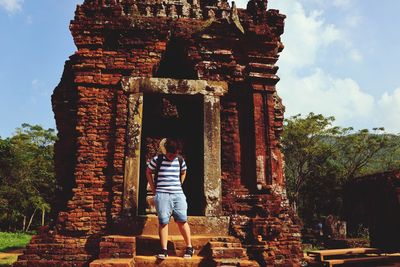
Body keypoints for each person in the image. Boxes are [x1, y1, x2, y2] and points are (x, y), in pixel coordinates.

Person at [146, 138, 194, 260]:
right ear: (166, 151)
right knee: (163, 222)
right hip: (162, 194)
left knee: (182, 221)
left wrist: (179, 183)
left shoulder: (180, 160)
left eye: (175, 154)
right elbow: (148, 171)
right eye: (170, 154)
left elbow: (184, 171)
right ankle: (164, 249)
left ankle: (189, 247)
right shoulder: (158, 159)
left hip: (178, 194)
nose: (172, 156)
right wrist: (153, 189)